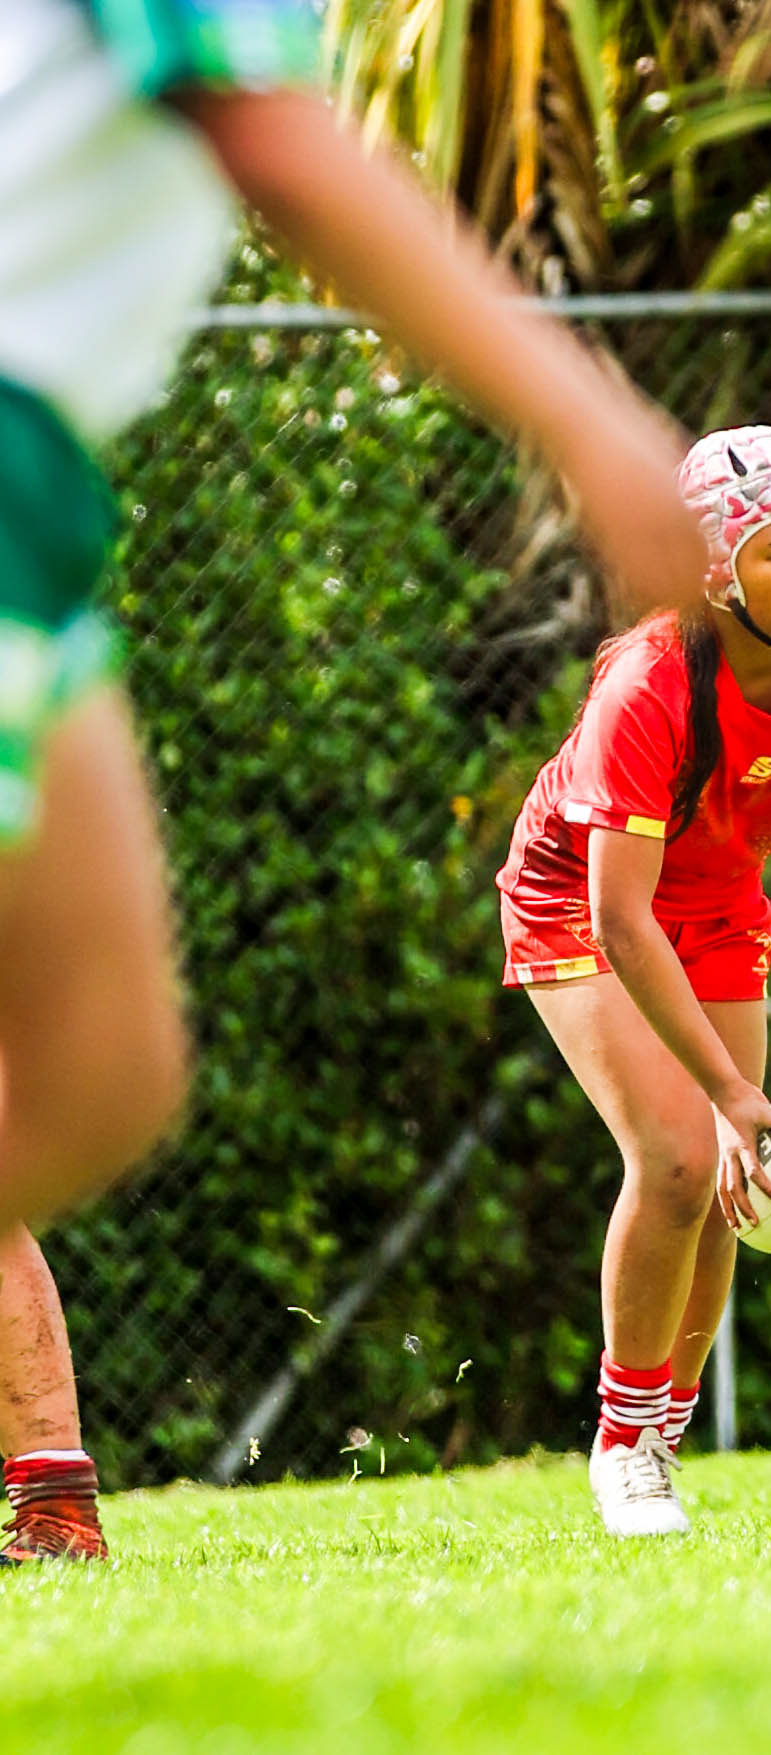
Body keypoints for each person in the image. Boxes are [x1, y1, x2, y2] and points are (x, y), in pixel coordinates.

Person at [0, 0, 705, 1562]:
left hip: (42, 492)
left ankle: (46, 1480)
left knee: (108, 1074)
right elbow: (278, 145)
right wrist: (590, 422)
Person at [498, 426, 771, 1536]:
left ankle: (658, 1443)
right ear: (717, 568)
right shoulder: (648, 686)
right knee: (682, 1157)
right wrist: (728, 1092)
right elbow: (621, 916)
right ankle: (621, 1448)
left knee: (736, 1182)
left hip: (718, 907)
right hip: (581, 902)